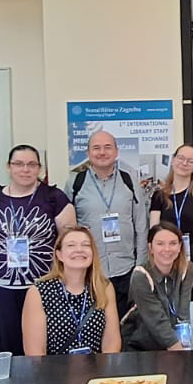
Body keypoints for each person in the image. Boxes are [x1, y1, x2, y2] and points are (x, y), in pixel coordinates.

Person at [0, 145, 74, 354]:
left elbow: (69, 242)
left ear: (39, 168)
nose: (25, 169)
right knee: (9, 347)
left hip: (42, 287)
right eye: (18, 164)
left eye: (31, 164)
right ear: (9, 167)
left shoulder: (54, 198)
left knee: (43, 348)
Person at [67, 131, 147, 308]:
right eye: (96, 148)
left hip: (126, 269)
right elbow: (68, 230)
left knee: (125, 321)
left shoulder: (130, 181)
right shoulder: (75, 183)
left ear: (116, 152)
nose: (102, 152)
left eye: (107, 147)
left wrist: (139, 267)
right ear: (88, 153)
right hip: (90, 270)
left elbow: (141, 225)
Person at [22, 225, 123, 355]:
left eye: (86, 245)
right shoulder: (38, 292)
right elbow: (35, 353)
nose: (79, 250)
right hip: (54, 366)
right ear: (59, 255)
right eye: (71, 245)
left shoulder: (104, 288)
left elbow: (112, 343)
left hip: (97, 365)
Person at [148, 144, 193, 308]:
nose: (184, 163)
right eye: (180, 158)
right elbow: (154, 234)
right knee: (173, 310)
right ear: (173, 160)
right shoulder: (159, 196)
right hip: (169, 257)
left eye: (190, 161)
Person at [121, 223, 193, 351]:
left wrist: (184, 346)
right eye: (160, 244)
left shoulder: (187, 269)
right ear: (150, 248)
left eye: (173, 243)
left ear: (180, 247)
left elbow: (184, 313)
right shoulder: (141, 275)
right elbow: (156, 320)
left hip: (173, 345)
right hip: (141, 347)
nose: (167, 249)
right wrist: (178, 351)